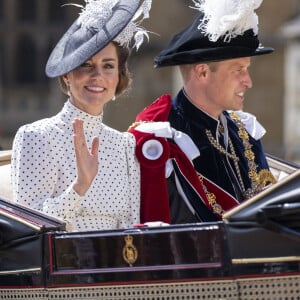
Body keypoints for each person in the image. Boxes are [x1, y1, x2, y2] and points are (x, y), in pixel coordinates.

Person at [129, 0, 276, 224]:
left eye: (247, 70)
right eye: (239, 70)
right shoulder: (160, 142)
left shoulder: (244, 132)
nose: (248, 81)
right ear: (203, 72)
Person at [11, 0, 153, 231]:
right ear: (67, 75)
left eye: (108, 66)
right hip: (65, 265)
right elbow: (28, 227)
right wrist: (80, 186)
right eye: (86, 65)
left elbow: (130, 225)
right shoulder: (37, 136)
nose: (97, 75)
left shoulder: (124, 145)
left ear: (119, 76)